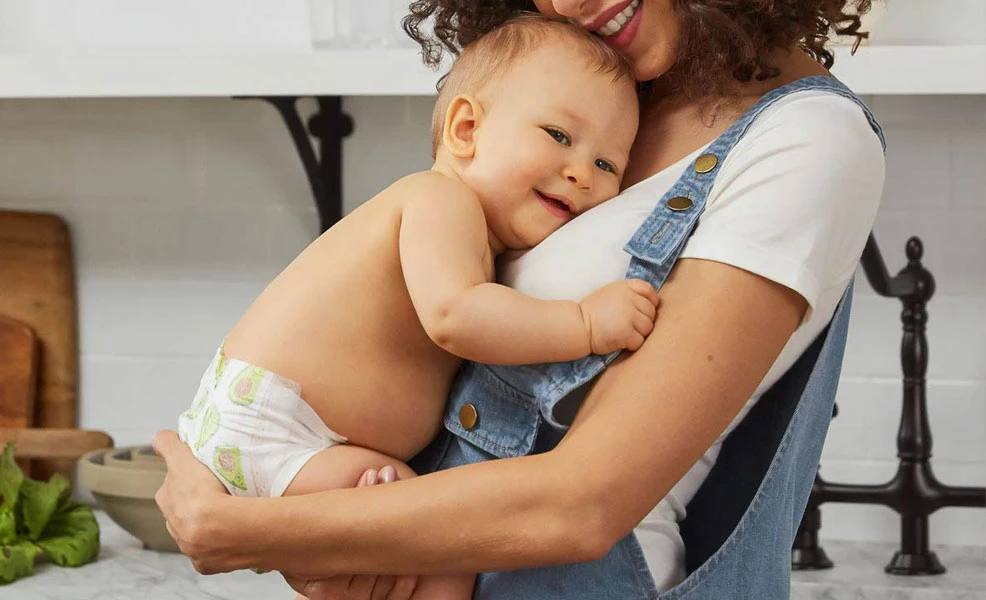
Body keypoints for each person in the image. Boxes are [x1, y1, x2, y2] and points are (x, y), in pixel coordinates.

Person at [153, 1, 886, 598]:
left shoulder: (808, 141)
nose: (568, 4)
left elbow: (585, 504)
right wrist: (341, 530)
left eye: (603, 164)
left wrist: (249, 531)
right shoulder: (586, 94)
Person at [173, 14, 651, 600]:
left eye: (608, 165)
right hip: (273, 424)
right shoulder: (438, 200)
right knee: (442, 544)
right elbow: (456, 317)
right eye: (558, 135)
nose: (581, 173)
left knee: (403, 553)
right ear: (466, 128)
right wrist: (585, 323)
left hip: (292, 429)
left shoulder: (478, 234)